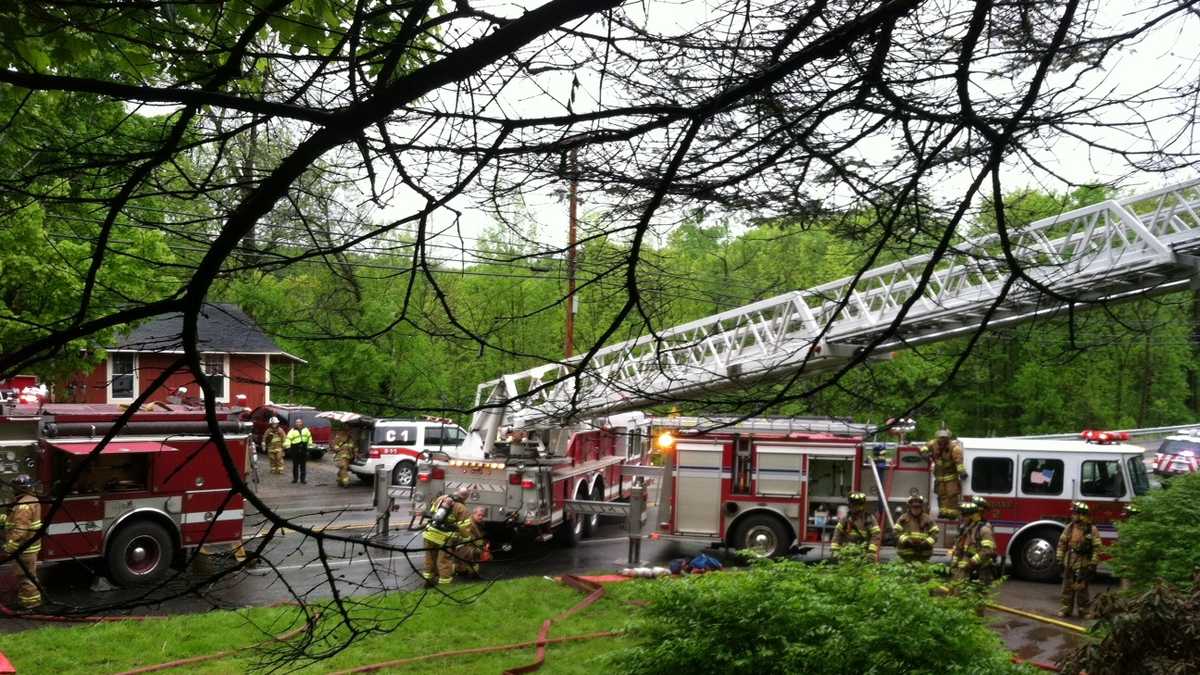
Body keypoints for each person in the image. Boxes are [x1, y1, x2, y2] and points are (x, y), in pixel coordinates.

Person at [1, 474, 43, 609]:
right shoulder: (31, 499)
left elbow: (20, 529)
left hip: (24, 548)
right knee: (28, 575)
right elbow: (15, 521)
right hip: (30, 547)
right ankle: (31, 602)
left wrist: (9, 547)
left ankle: (30, 605)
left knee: (24, 577)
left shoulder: (23, 506)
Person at [1057, 501, 1103, 618]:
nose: (1073, 515)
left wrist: (1093, 564)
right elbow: (1062, 543)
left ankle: (1084, 611)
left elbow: (1097, 548)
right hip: (1070, 562)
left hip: (1084, 563)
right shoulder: (1070, 528)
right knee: (1067, 588)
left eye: (1075, 513)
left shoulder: (1091, 530)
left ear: (1082, 515)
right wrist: (1059, 559)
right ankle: (1066, 609)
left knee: (1082, 589)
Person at [422, 487, 470, 586]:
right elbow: (463, 527)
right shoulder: (462, 508)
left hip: (429, 534)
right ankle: (444, 584)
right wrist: (466, 539)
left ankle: (428, 581)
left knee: (429, 558)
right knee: (444, 561)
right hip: (445, 538)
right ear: (465, 498)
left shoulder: (441, 498)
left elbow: (432, 512)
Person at [921, 427, 966, 519]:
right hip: (939, 477)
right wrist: (924, 453)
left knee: (952, 495)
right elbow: (924, 447)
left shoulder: (954, 448)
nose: (942, 439)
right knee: (941, 495)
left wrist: (962, 472)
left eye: (944, 437)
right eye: (941, 437)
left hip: (951, 477)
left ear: (948, 437)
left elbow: (958, 461)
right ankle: (942, 512)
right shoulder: (933, 443)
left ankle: (952, 514)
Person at [949, 498, 997, 584]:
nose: (962, 517)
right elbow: (959, 548)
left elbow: (988, 550)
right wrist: (954, 565)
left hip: (980, 570)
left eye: (965, 515)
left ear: (973, 515)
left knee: (979, 593)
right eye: (962, 514)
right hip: (964, 571)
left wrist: (971, 562)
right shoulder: (965, 529)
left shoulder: (984, 529)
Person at [831, 492, 881, 561]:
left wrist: (871, 552)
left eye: (856, 504)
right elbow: (837, 534)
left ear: (861, 505)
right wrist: (835, 550)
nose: (853, 507)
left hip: (864, 554)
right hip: (847, 554)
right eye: (852, 504)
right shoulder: (846, 519)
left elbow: (876, 535)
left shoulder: (868, 518)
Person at [894, 494, 939, 563]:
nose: (916, 509)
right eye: (914, 507)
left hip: (923, 554)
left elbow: (935, 534)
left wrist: (925, 544)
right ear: (909, 507)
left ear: (921, 507)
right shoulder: (903, 518)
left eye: (918, 507)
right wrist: (906, 542)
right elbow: (896, 532)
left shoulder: (928, 519)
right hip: (906, 554)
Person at [454, 507, 489, 578]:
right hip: (462, 547)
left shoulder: (479, 523)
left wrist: (485, 544)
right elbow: (470, 539)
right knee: (479, 552)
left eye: (482, 515)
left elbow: (480, 536)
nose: (481, 517)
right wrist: (483, 547)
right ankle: (460, 569)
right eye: (479, 515)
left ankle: (468, 571)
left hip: (468, 546)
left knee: (481, 553)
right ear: (473, 514)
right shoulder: (469, 524)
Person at [284, 417, 313, 484]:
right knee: (295, 465)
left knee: (303, 466)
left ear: (302, 423)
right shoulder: (292, 431)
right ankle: (295, 479)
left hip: (304, 448)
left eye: (299, 422)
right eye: (297, 422)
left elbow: (309, 437)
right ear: (295, 423)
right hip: (295, 448)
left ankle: (303, 480)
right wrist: (287, 445)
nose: (298, 423)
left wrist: (310, 445)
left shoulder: (306, 430)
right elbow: (288, 438)